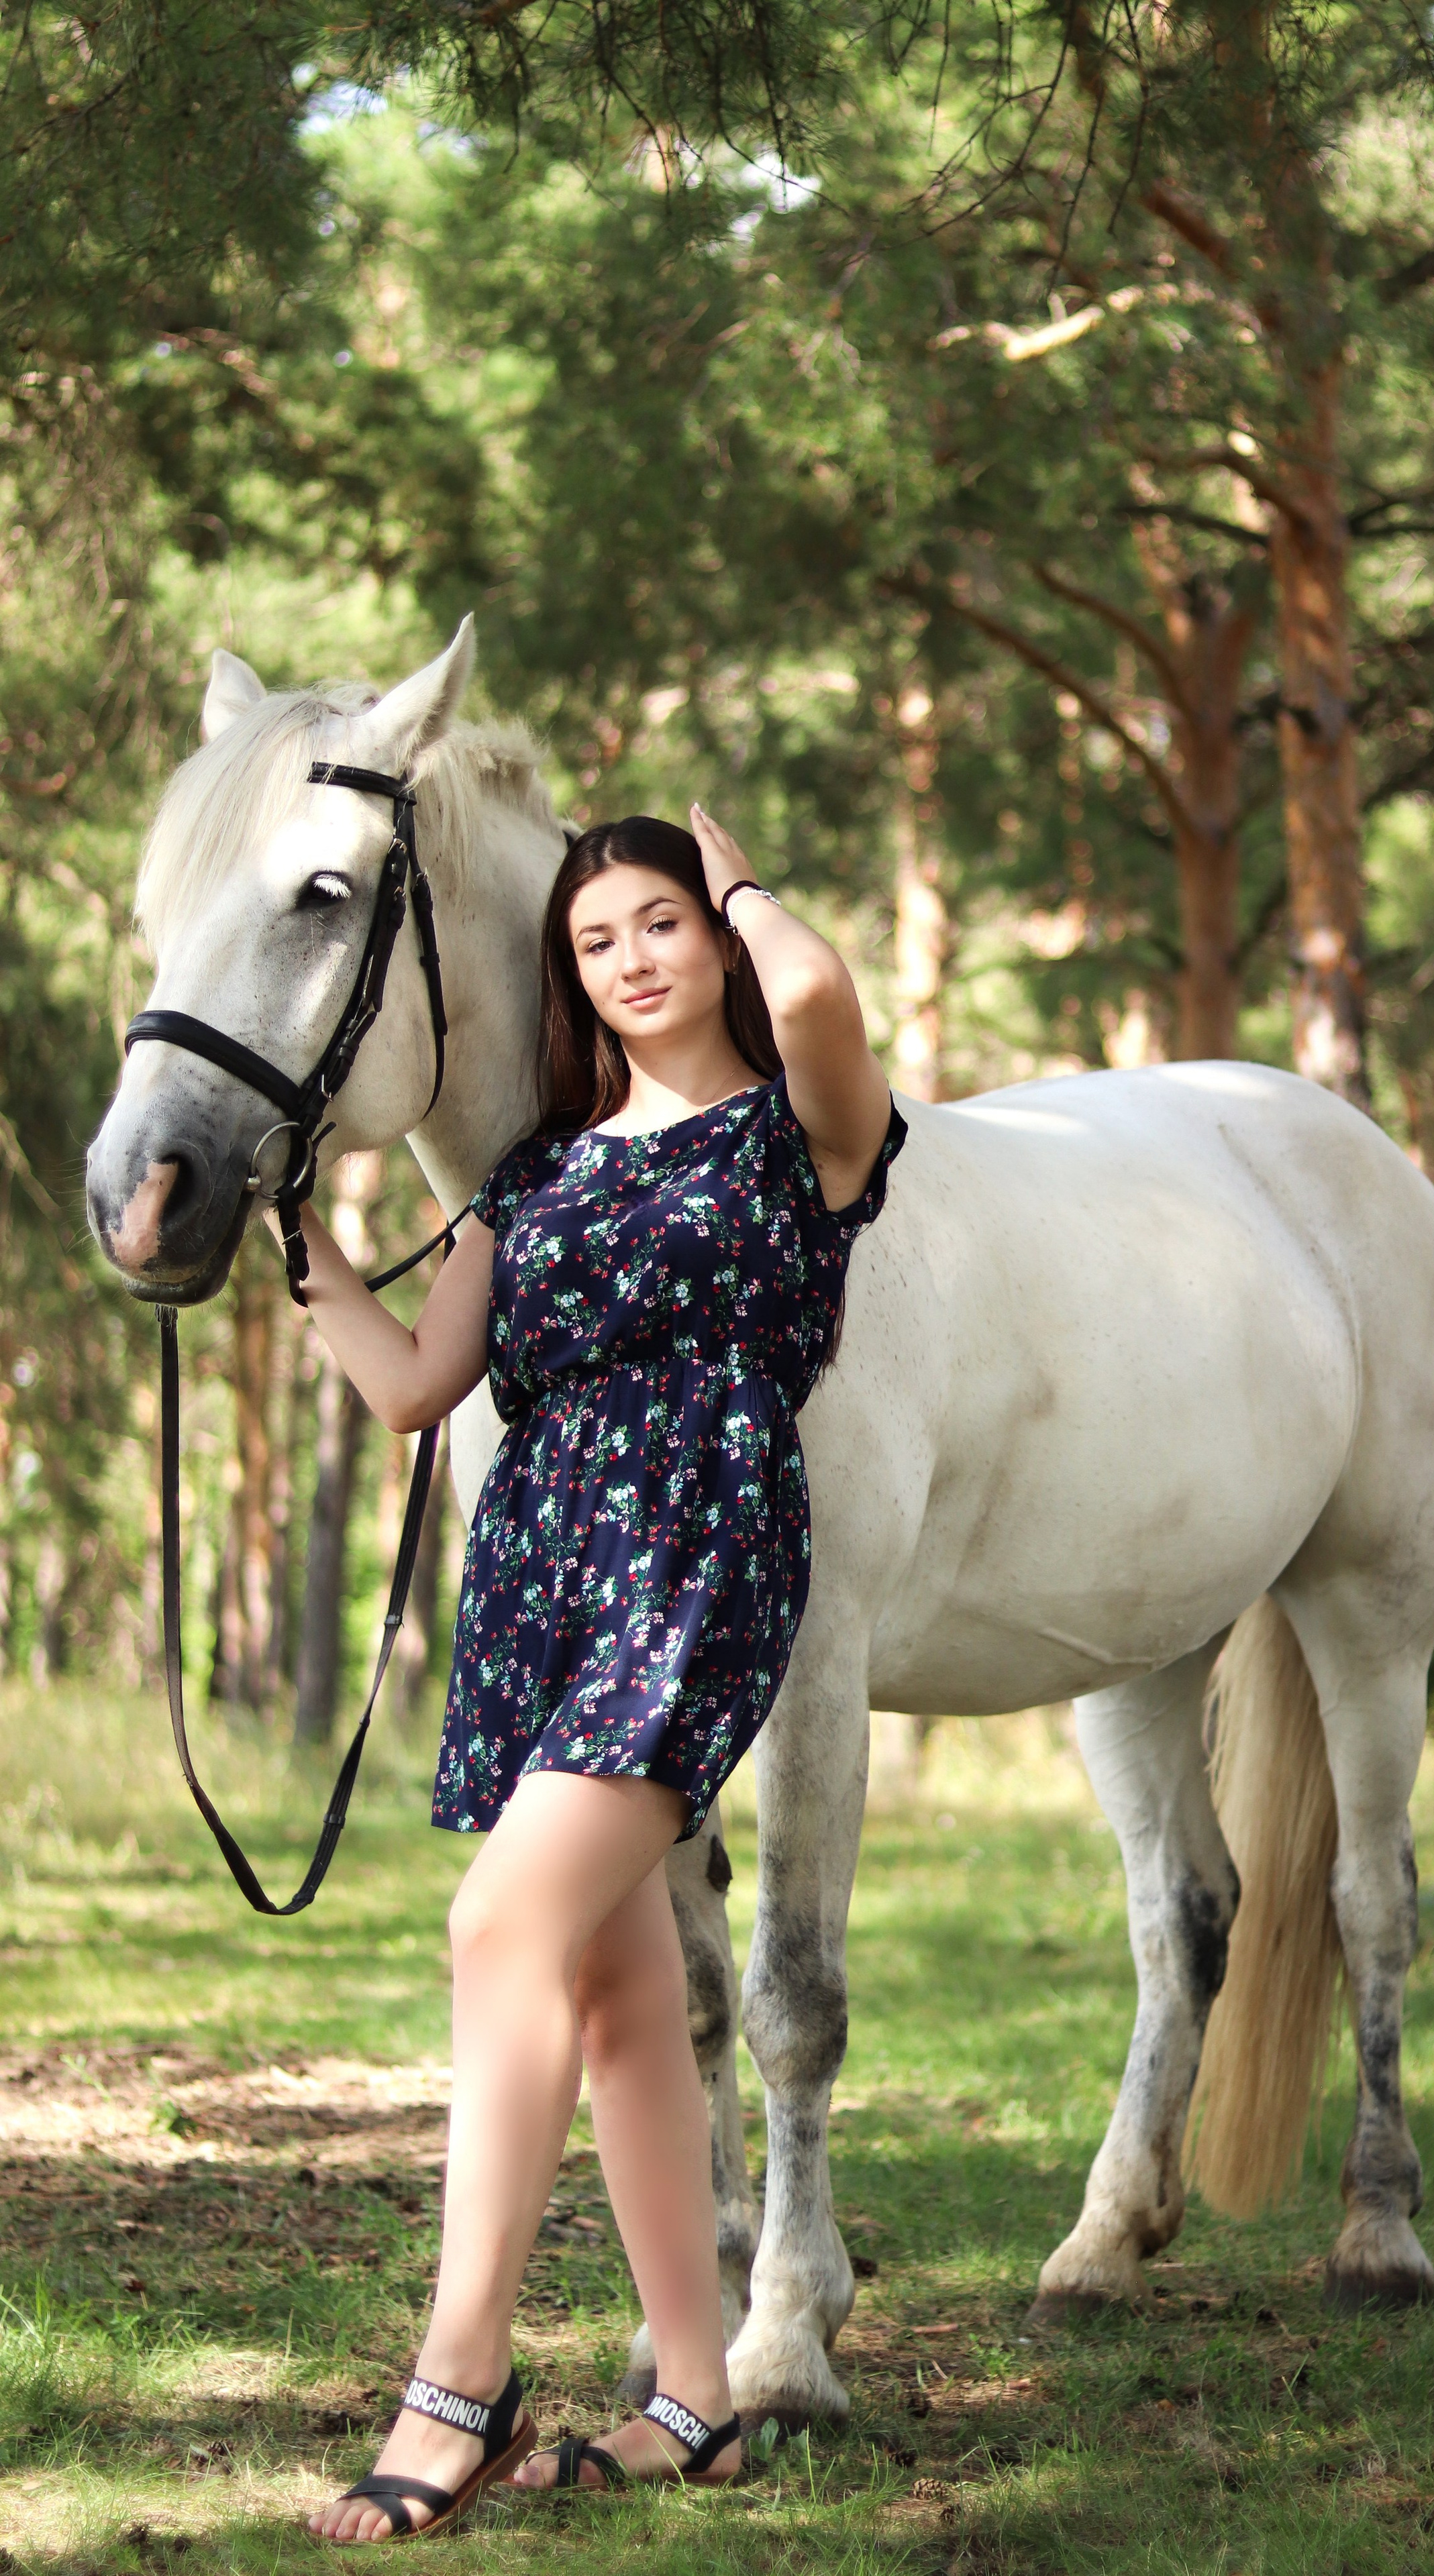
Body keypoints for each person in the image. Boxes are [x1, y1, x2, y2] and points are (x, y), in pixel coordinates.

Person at [293, 804, 904, 2540]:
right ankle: (693, 2403)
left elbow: (830, 1000)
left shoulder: (800, 1139)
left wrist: (752, 881)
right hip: (543, 1584)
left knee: (500, 1925)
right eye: (596, 942)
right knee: (622, 1990)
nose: (633, 962)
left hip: (697, 1564)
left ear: (714, 936)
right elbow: (418, 1386)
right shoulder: (538, 1177)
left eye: (662, 924)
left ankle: (458, 2377)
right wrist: (301, 1252)